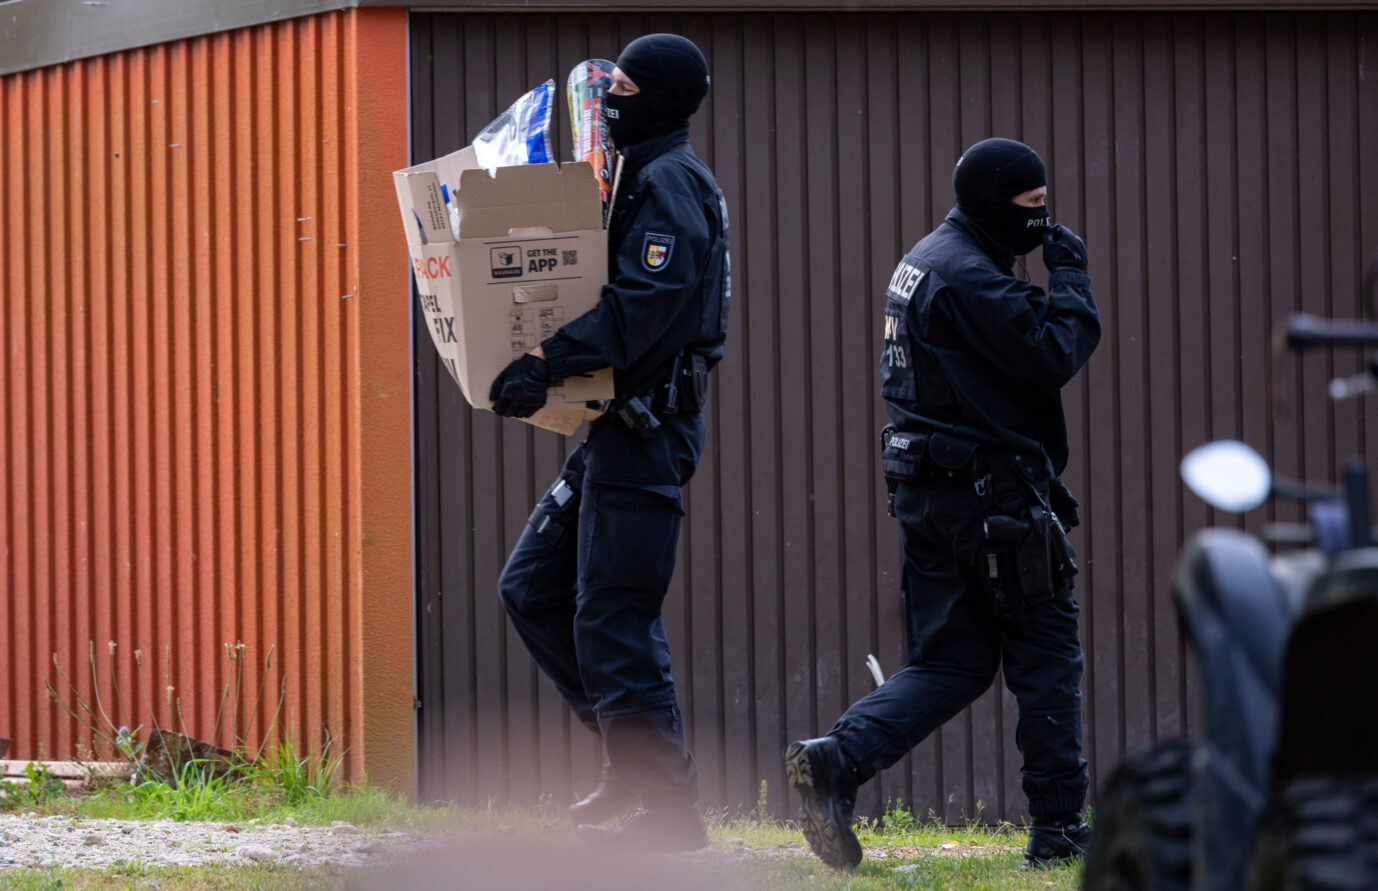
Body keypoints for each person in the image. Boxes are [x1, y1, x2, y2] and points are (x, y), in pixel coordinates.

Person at [785, 137, 1101, 869]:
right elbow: (1056, 350)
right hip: (996, 503)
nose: (1044, 223)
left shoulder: (927, 256)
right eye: (1033, 208)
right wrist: (1073, 276)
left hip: (931, 497)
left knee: (953, 660)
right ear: (996, 203)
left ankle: (837, 758)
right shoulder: (973, 279)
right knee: (1048, 657)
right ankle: (1058, 830)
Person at [488, 33, 729, 853]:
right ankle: (633, 764)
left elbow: (641, 308)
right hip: (611, 434)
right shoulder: (638, 172)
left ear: (658, 96)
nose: (608, 98)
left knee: (616, 617)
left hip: (648, 435)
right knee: (531, 587)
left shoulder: (671, 183)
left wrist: (544, 356)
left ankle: (670, 809)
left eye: (623, 85)